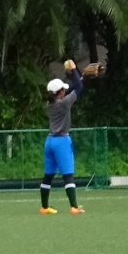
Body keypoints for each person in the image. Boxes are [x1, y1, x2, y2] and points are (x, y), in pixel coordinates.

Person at [40, 60, 85, 214]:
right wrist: (74, 70)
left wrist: (77, 76)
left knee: (48, 176)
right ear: (59, 93)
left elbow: (72, 88)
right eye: (62, 90)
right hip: (61, 142)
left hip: (49, 141)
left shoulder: (50, 103)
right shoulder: (64, 103)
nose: (64, 92)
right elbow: (78, 88)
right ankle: (74, 207)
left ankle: (44, 207)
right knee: (68, 175)